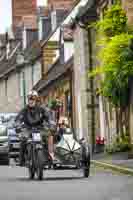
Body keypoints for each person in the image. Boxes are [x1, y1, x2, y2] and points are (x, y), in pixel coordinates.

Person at [15, 90, 57, 166]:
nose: (31, 101)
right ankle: (22, 159)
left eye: (33, 99)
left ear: (36, 100)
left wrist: (52, 125)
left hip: (40, 129)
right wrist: (18, 126)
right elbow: (18, 119)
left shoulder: (42, 109)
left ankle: (51, 154)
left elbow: (49, 117)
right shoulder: (24, 110)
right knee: (23, 139)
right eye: (30, 99)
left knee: (50, 136)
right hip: (28, 129)